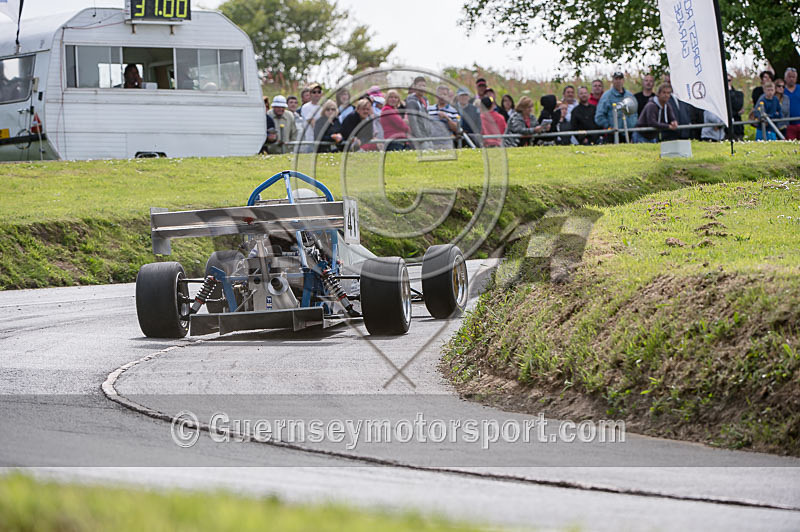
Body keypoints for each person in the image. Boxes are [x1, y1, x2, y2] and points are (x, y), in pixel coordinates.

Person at [595, 72, 637, 142]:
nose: (618, 81)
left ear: (623, 80)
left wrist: (633, 125)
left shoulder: (629, 95)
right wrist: (609, 127)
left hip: (629, 133)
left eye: (620, 79)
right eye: (616, 79)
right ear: (613, 81)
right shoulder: (607, 96)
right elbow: (599, 116)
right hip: (613, 134)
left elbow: (634, 112)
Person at [427, 84, 460, 149]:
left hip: (446, 144)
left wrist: (447, 118)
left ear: (448, 96)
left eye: (444, 94)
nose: (442, 97)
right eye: (440, 94)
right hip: (431, 144)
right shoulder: (429, 109)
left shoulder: (453, 111)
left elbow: (457, 129)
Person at [405, 76, 433, 150]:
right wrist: (419, 138)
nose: (422, 88)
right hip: (420, 138)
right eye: (419, 86)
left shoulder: (425, 100)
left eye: (424, 86)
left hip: (428, 135)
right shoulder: (412, 101)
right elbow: (413, 121)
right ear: (414, 87)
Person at [300, 83, 323, 153]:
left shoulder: (324, 106)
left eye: (319, 92)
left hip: (322, 140)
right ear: (310, 94)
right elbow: (312, 122)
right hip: (310, 140)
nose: (317, 94)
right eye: (314, 92)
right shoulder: (306, 107)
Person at [783, 67, 800, 140]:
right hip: (788, 125)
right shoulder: (781, 90)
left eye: (793, 77)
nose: (791, 79)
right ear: (785, 78)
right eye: (789, 77)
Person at [728, 75, 745, 141]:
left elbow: (738, 106)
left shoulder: (739, 94)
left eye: (728, 80)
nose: (727, 82)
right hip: (724, 129)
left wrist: (729, 92)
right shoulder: (718, 95)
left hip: (737, 127)